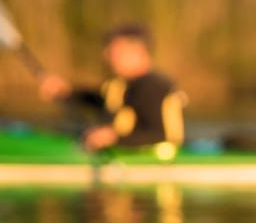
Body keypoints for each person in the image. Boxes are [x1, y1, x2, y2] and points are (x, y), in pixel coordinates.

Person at [38, 23, 186, 160]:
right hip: (126, 151)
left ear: (137, 52)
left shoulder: (154, 86)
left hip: (158, 158)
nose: (106, 55)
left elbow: (159, 134)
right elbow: (99, 101)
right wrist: (66, 92)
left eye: (114, 51)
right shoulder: (120, 85)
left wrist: (112, 137)